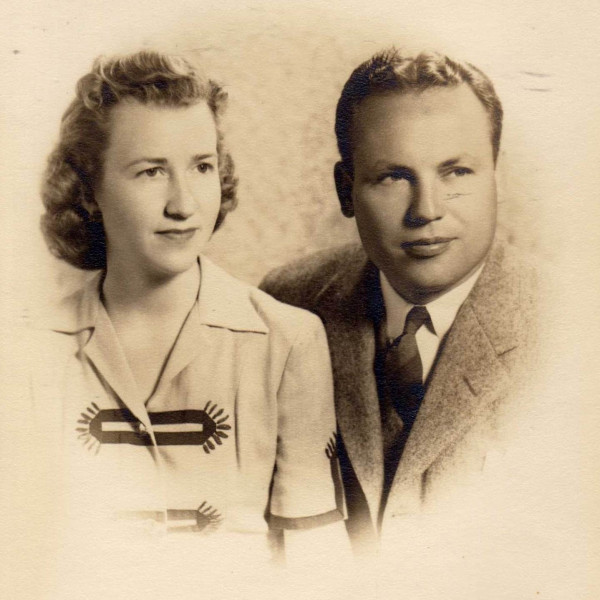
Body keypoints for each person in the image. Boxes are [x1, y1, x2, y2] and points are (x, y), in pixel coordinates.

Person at [27, 50, 346, 568]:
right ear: (89, 191)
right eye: (151, 171)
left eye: (201, 167)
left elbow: (318, 561)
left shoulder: (286, 341)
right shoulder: (28, 349)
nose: (184, 204)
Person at [261, 48, 537, 555]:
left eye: (457, 173)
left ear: (495, 177)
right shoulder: (289, 305)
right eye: (393, 177)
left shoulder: (574, 323)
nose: (426, 210)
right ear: (346, 191)